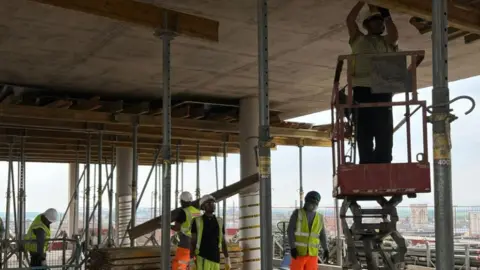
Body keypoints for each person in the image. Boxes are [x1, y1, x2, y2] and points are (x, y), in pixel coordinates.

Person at [346, 1, 398, 164]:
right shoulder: (358, 39)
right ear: (367, 24)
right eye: (376, 20)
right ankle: (366, 163)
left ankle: (384, 162)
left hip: (383, 89)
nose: (380, 23)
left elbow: (394, 35)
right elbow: (350, 20)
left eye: (381, 21)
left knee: (384, 131)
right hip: (362, 89)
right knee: (364, 131)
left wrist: (386, 15)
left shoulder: (387, 42)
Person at [288, 191, 329, 270]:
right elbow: (290, 231)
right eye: (312, 201)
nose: (313, 204)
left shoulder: (319, 217)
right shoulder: (297, 213)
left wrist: (326, 249)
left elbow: (322, 235)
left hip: (312, 255)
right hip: (298, 253)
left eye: (315, 202)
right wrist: (292, 247)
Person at [190, 195, 231, 270]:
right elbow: (193, 242)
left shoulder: (219, 221)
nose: (212, 205)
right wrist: (191, 259)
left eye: (213, 203)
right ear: (203, 207)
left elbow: (223, 241)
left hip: (216, 259)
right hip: (202, 257)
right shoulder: (197, 221)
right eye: (209, 203)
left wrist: (227, 258)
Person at [171, 191, 201, 270]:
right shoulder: (198, 212)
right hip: (197, 244)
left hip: (186, 244)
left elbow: (177, 228)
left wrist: (167, 226)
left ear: (182, 201)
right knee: (193, 265)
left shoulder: (183, 212)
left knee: (179, 265)